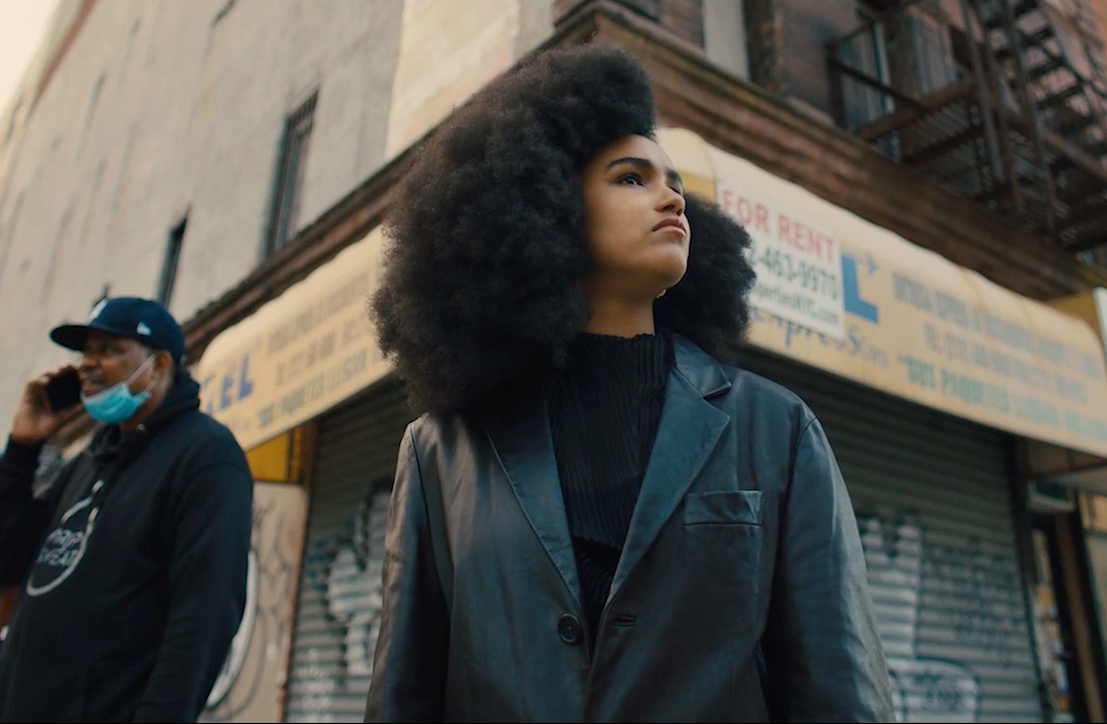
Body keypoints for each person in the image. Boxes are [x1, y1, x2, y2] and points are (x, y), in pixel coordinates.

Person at [364, 45, 892, 721]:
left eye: (673, 180)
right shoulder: (441, 452)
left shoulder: (778, 428)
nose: (672, 195)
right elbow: (403, 694)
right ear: (546, 204)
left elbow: (837, 685)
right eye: (631, 178)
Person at [0, 297, 253, 723]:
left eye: (110, 350)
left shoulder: (206, 456)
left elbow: (204, 616)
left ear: (158, 367)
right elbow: (0, 564)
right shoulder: (89, 459)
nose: (87, 364)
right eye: (85, 352)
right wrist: (21, 448)